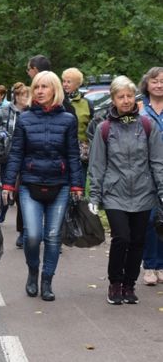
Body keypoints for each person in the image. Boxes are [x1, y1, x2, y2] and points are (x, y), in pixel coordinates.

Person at [2, 71, 83, 302]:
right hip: (30, 184)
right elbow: (15, 152)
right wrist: (8, 183)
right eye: (36, 87)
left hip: (60, 184)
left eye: (44, 87)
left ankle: (47, 281)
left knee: (54, 235)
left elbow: (73, 155)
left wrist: (77, 185)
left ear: (55, 90)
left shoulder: (68, 119)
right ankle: (32, 272)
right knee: (33, 235)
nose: (39, 91)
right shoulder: (25, 119)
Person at [89, 75, 163, 304]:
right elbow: (97, 164)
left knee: (138, 240)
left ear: (135, 98)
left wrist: (161, 189)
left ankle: (129, 285)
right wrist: (94, 195)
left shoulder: (147, 126)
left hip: (143, 192)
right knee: (122, 238)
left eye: (129, 96)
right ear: (113, 99)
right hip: (115, 193)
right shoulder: (105, 128)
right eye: (121, 96)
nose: (126, 100)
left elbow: (157, 162)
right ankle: (115, 283)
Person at [0, 82, 30, 246]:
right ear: (17, 97)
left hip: (29, 158)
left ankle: (24, 231)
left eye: (28, 95)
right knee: (8, 186)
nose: (25, 98)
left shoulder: (34, 112)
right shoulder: (6, 111)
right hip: (8, 155)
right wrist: (1, 135)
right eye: (22, 95)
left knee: (22, 194)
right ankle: (3, 210)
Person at [139, 67, 163, 286]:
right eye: (155, 81)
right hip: (146, 171)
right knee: (149, 220)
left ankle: (162, 264)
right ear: (147, 84)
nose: (159, 85)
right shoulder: (140, 109)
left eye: (162, 81)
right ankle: (150, 265)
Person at [62, 68, 93, 185]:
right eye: (63, 81)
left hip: (80, 153)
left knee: (79, 185)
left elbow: (91, 128)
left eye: (68, 82)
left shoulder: (87, 103)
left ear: (77, 84)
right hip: (61, 151)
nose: (65, 84)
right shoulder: (58, 100)